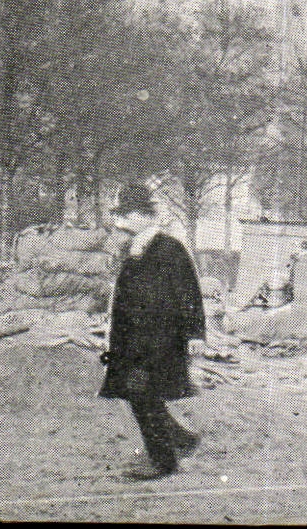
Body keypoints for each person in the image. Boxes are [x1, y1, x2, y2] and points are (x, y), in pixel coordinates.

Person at [99, 184, 206, 479]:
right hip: (133, 341)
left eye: (128, 214)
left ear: (145, 215)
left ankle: (163, 461)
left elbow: (189, 292)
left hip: (160, 341)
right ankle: (182, 439)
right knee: (141, 393)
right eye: (122, 215)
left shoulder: (170, 248)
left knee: (141, 394)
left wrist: (196, 334)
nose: (122, 221)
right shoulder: (134, 249)